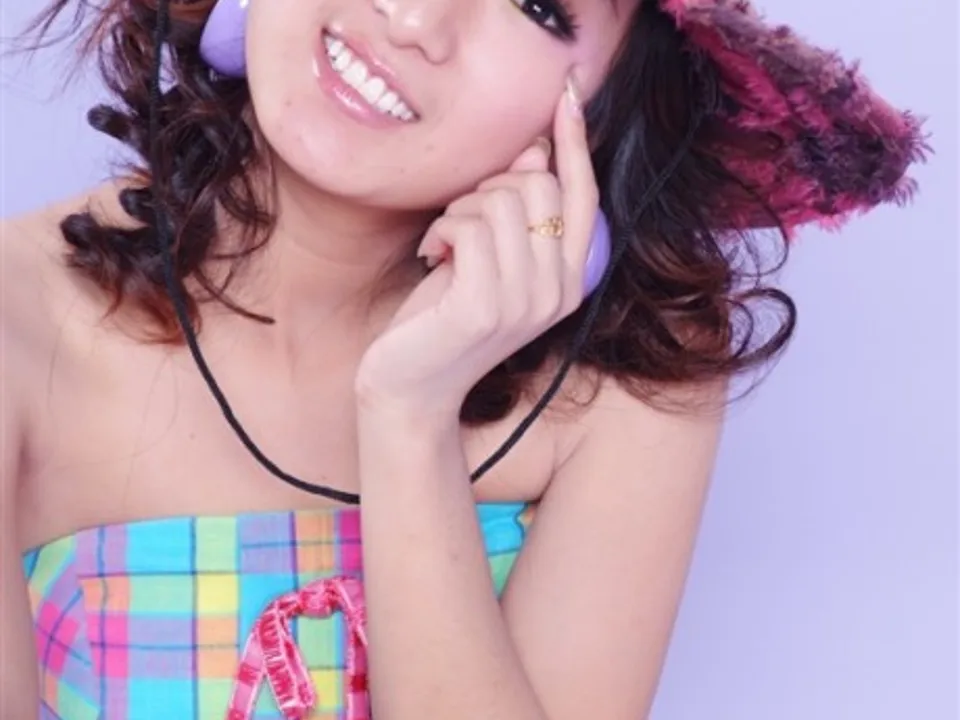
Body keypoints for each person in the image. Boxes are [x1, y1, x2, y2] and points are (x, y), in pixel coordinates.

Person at [0, 0, 925, 717]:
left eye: (535, 5)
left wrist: (410, 418)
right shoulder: (18, 319)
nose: (416, 21)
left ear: (613, 102)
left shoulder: (634, 379)